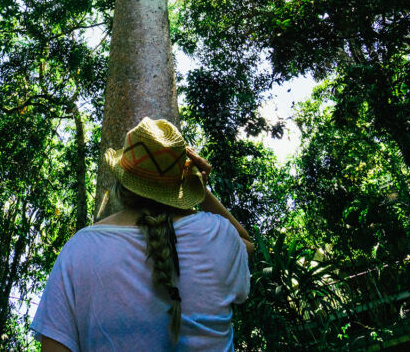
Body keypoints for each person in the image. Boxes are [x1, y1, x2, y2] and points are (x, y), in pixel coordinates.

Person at [31, 117, 255, 351]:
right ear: (181, 185)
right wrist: (202, 190)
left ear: (122, 183)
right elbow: (248, 245)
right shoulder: (218, 235)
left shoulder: (78, 250)